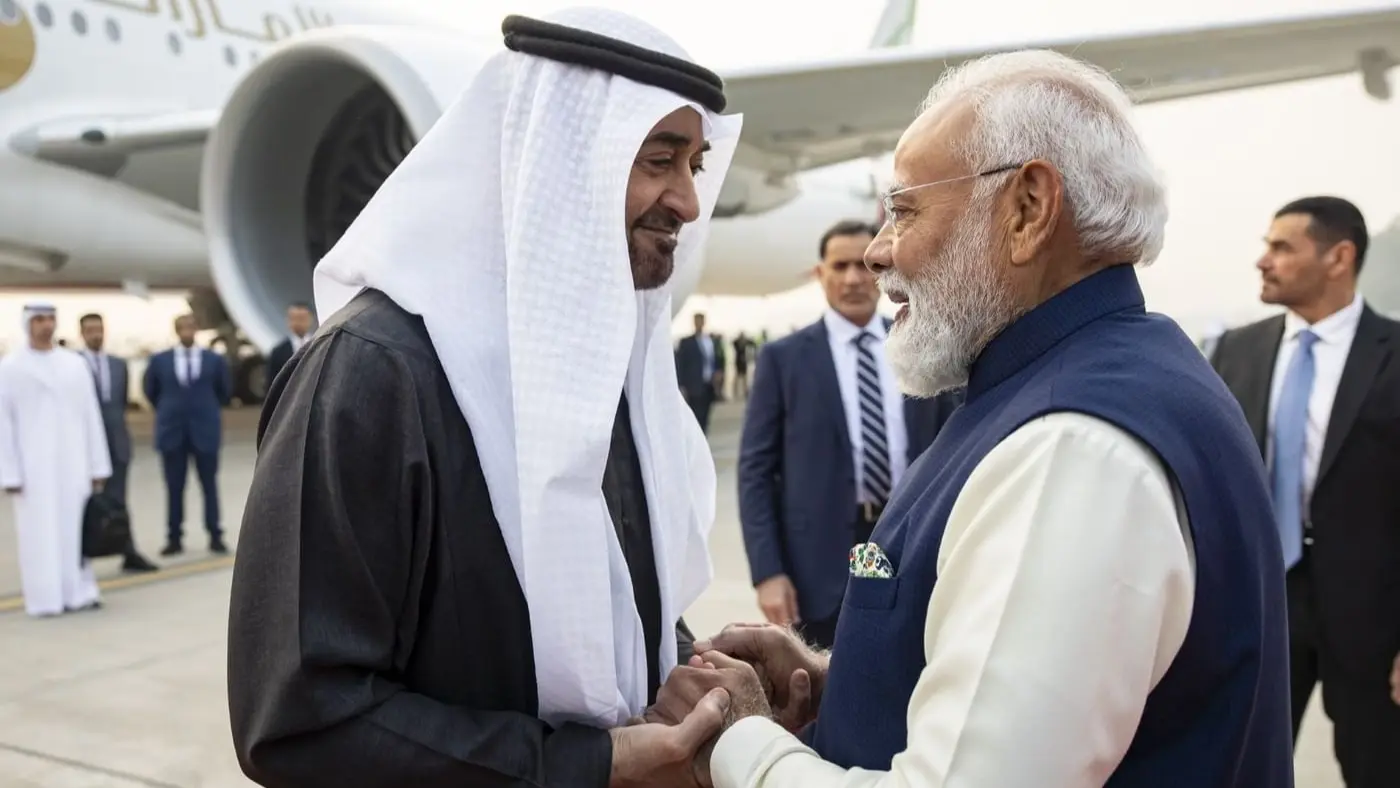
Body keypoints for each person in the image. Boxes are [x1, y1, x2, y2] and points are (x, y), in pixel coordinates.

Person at [655, 49, 1295, 787]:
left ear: (1028, 209)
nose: (878, 252)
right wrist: (843, 680)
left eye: (904, 210)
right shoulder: (1096, 380)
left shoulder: (1070, 450)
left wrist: (739, 739)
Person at [227, 9, 743, 787]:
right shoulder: (369, 376)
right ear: (559, 160)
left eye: (694, 165)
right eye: (658, 160)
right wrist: (590, 765)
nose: (688, 201)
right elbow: (299, 721)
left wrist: (687, 672)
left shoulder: (601, 373)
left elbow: (592, 604)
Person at [1210, 196, 1400, 787]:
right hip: (1262, 605)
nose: (1263, 261)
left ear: (1338, 258)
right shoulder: (1235, 350)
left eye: (1282, 247)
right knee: (1239, 770)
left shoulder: (1394, 354)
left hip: (1375, 618)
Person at [738, 218, 962, 649]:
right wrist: (768, 572)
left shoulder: (921, 346)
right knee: (826, 677)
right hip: (817, 568)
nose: (854, 278)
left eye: (863, 265)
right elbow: (755, 473)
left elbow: (951, 445)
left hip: (910, 542)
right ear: (820, 273)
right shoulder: (783, 359)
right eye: (839, 267)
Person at [0, 303, 110, 617]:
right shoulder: (11, 367)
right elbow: (3, 425)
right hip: (33, 469)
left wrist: (98, 465)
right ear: (27, 324)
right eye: (39, 320)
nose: (45, 325)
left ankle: (80, 593)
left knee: (77, 532)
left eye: (50, 319)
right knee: (39, 536)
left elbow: (90, 415)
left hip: (75, 464)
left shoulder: (73, 364)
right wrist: (9, 473)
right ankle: (45, 599)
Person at [143, 314, 230, 556]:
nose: (187, 332)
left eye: (191, 327)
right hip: (173, 432)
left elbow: (224, 391)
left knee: (209, 485)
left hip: (205, 431)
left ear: (197, 329)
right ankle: (174, 537)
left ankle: (215, 534)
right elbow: (151, 391)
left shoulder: (214, 360)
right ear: (176, 331)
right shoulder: (160, 360)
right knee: (174, 488)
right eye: (183, 328)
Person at [77, 313, 158, 573]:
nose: (96, 335)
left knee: (119, 501)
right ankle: (78, 555)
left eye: (99, 329)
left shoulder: (117, 364)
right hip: (83, 446)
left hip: (116, 443)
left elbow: (119, 404)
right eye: (90, 330)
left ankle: (128, 551)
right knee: (81, 503)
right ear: (82, 333)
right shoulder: (73, 365)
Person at [676, 312, 720, 432]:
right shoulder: (686, 342)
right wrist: (681, 384)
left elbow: (715, 360)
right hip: (694, 385)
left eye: (701, 321)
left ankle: (703, 435)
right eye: (697, 321)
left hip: (708, 384)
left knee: (705, 415)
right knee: (695, 415)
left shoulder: (709, 341)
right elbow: (681, 363)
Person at [264, 301, 315, 386]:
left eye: (302, 318)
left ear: (310, 319)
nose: (298, 323)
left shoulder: (318, 345)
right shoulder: (278, 352)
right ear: (288, 320)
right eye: (294, 318)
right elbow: (271, 384)